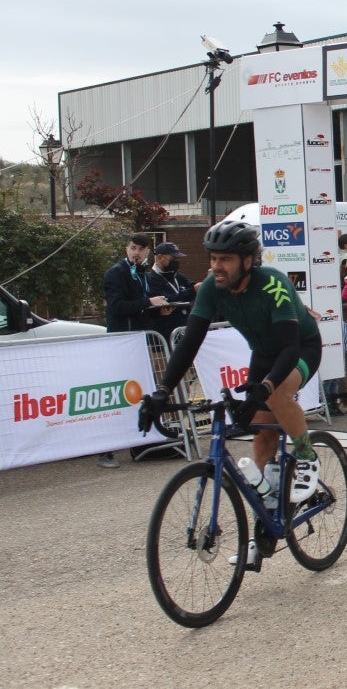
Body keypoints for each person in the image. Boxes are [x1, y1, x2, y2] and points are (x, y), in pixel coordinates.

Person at [138, 221, 322, 568]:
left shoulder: (273, 284)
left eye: (225, 259)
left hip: (299, 347)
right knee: (262, 437)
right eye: (213, 258)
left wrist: (265, 387)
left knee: (276, 395)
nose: (216, 266)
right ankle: (265, 526)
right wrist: (162, 391)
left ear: (248, 261)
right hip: (263, 354)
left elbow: (288, 347)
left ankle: (306, 454)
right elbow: (189, 342)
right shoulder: (212, 287)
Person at [101, 232, 170, 468]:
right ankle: (106, 449)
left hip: (139, 342)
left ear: (148, 252)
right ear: (126, 249)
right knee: (118, 394)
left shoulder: (142, 274)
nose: (136, 253)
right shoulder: (116, 273)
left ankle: (143, 439)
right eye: (133, 248)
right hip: (122, 342)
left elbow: (142, 308)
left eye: (141, 249)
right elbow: (118, 307)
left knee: (140, 392)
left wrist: (159, 310)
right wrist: (148, 303)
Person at [145, 241, 198, 340]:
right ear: (159, 257)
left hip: (182, 330)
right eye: (173, 259)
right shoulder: (150, 278)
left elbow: (192, 287)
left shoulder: (177, 276)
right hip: (163, 334)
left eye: (177, 259)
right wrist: (191, 291)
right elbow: (167, 299)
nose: (176, 262)